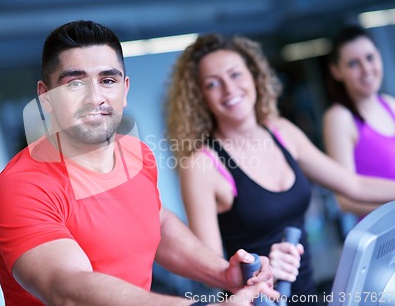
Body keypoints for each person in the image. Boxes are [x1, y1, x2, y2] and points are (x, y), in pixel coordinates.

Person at [0, 20, 279, 306]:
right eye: (74, 84)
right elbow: (68, 289)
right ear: (46, 98)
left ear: (124, 90)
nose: (94, 97)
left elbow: (158, 223)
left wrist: (222, 273)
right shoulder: (19, 188)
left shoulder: (136, 154)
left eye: (107, 80)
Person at [165, 33, 395, 305]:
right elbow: (208, 269)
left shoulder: (282, 132)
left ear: (253, 76)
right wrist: (258, 268)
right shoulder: (201, 165)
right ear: (200, 96)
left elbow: (353, 185)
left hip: (308, 294)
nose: (229, 89)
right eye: (213, 84)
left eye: (235, 75)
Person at [322, 25, 395, 217]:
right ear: (337, 71)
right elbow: (345, 200)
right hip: (385, 239)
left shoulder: (390, 104)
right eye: (353, 63)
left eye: (370, 58)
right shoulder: (339, 118)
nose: (366, 69)